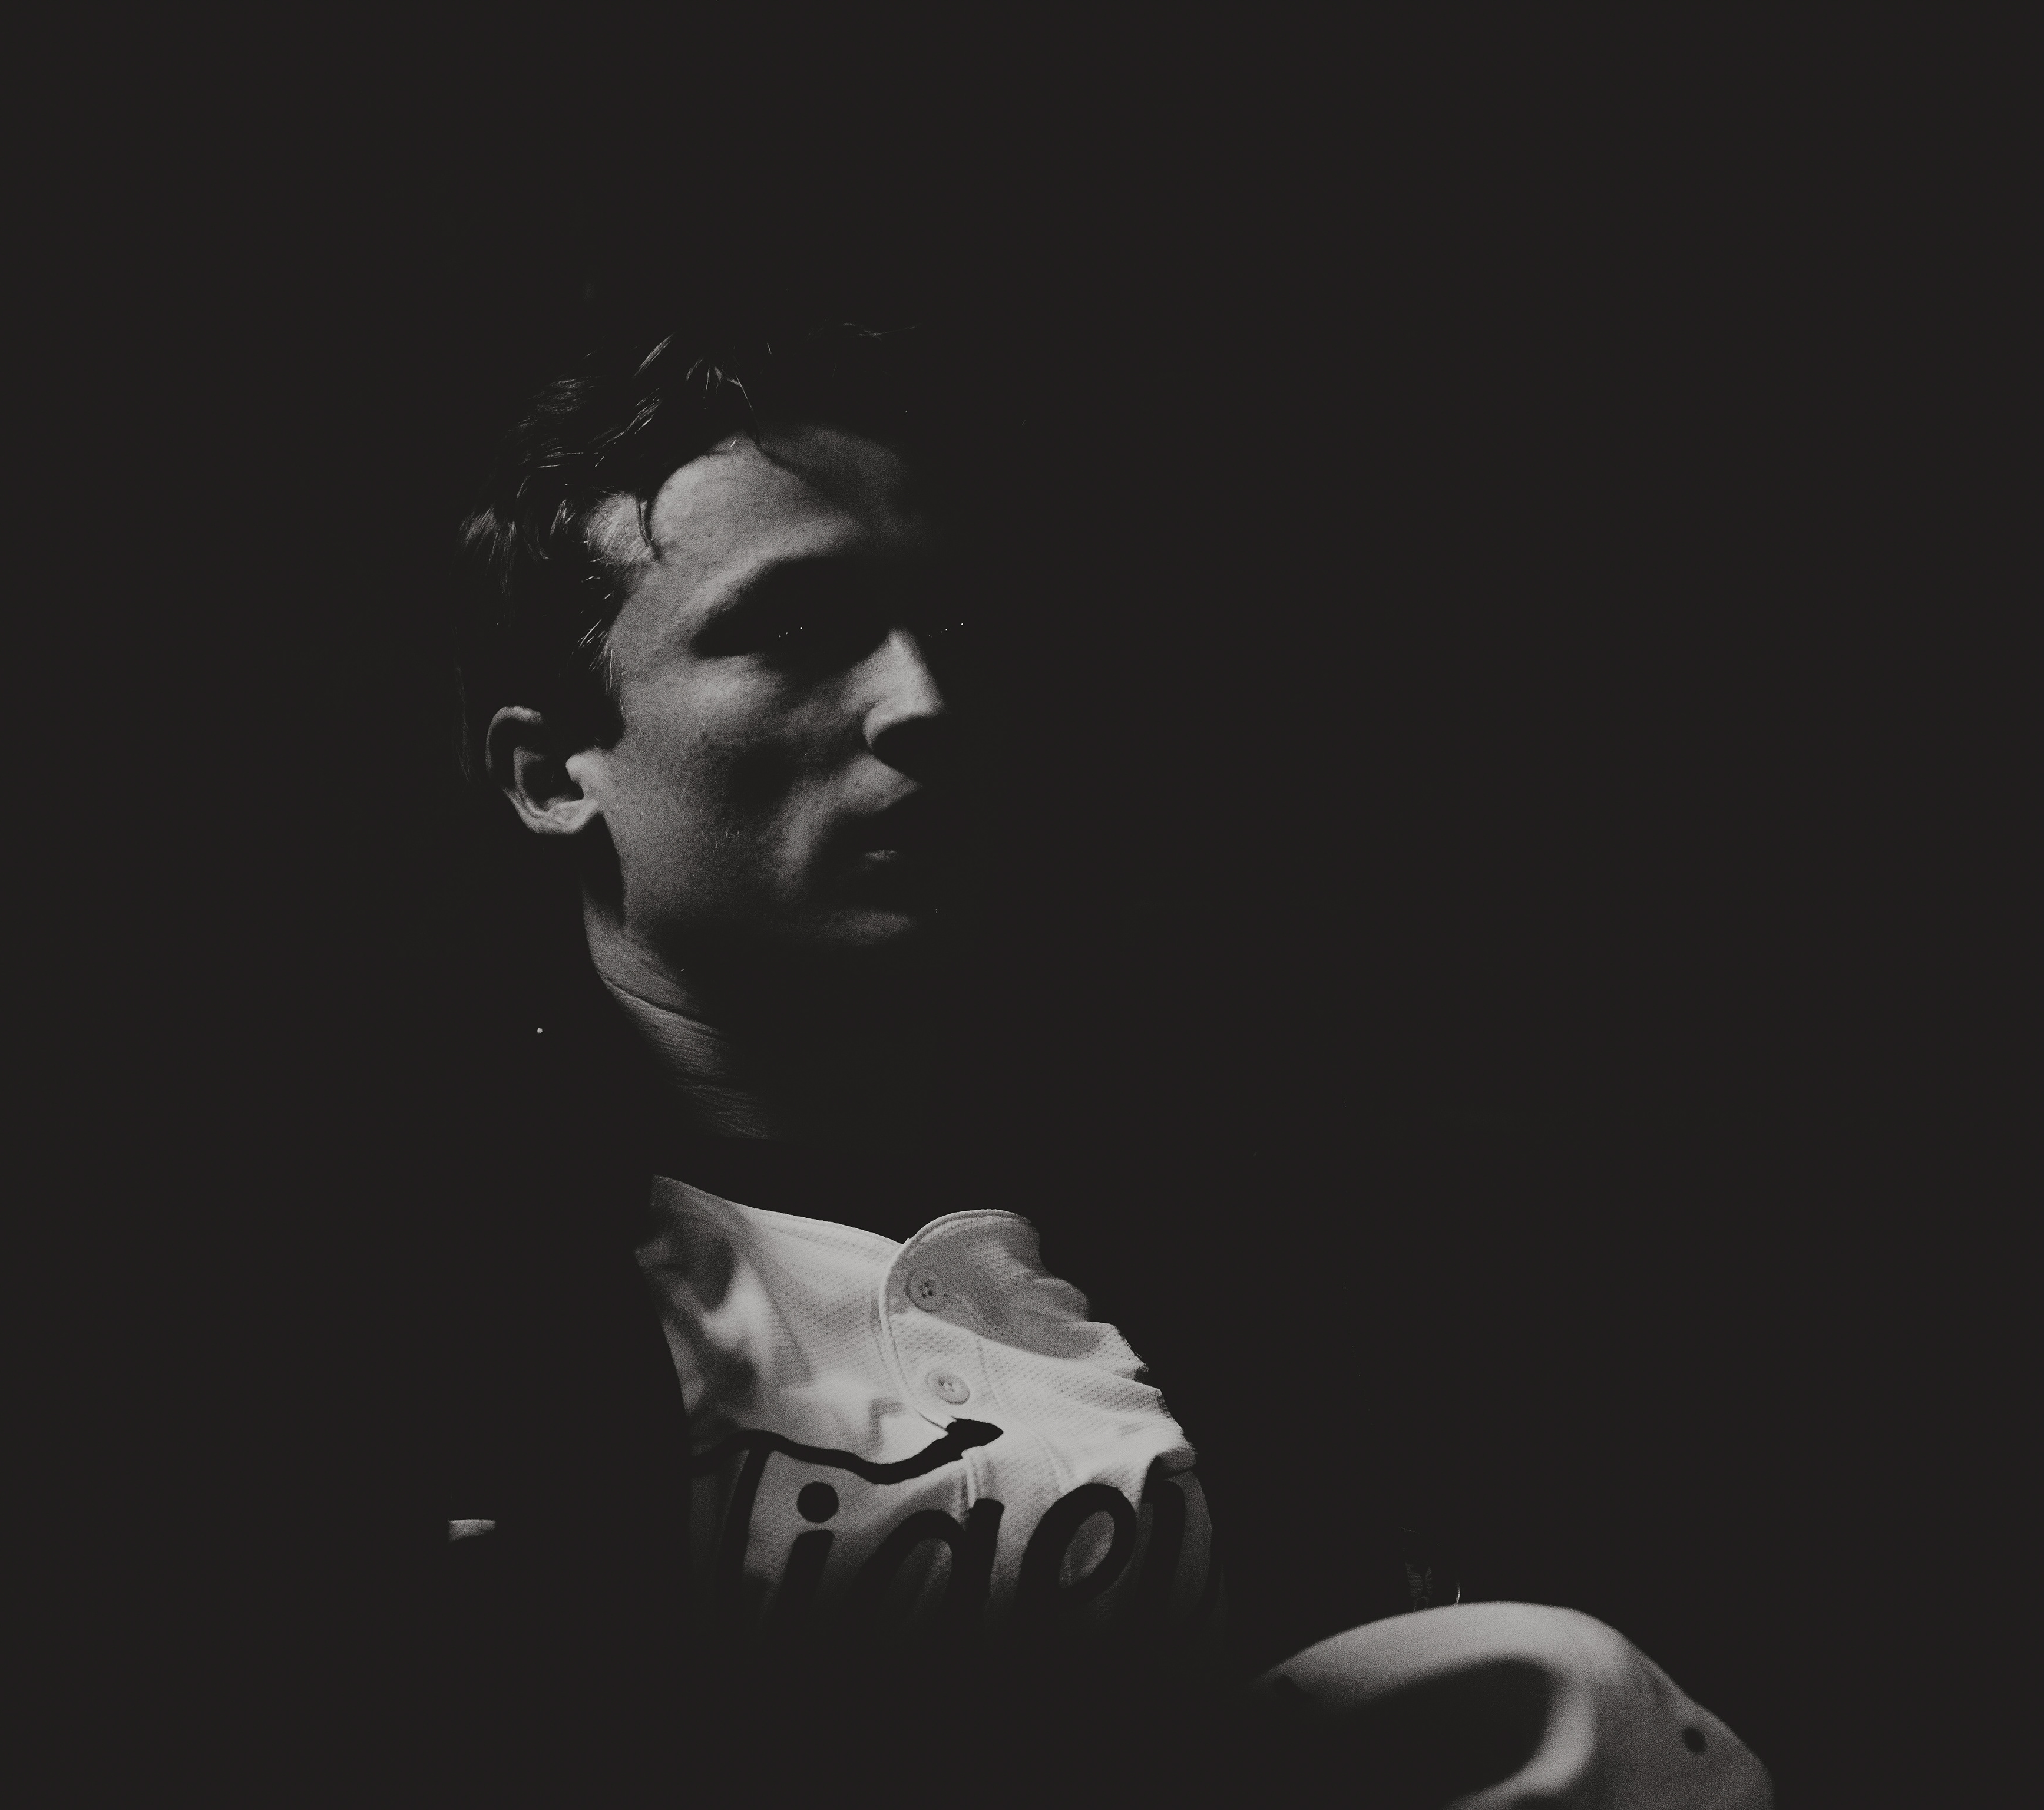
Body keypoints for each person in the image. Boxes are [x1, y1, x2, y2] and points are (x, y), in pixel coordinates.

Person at [392, 315, 1775, 1805]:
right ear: (549, 776)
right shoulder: (421, 1269)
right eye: (792, 630)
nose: (926, 703)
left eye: (953, 629)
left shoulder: (1244, 1225)